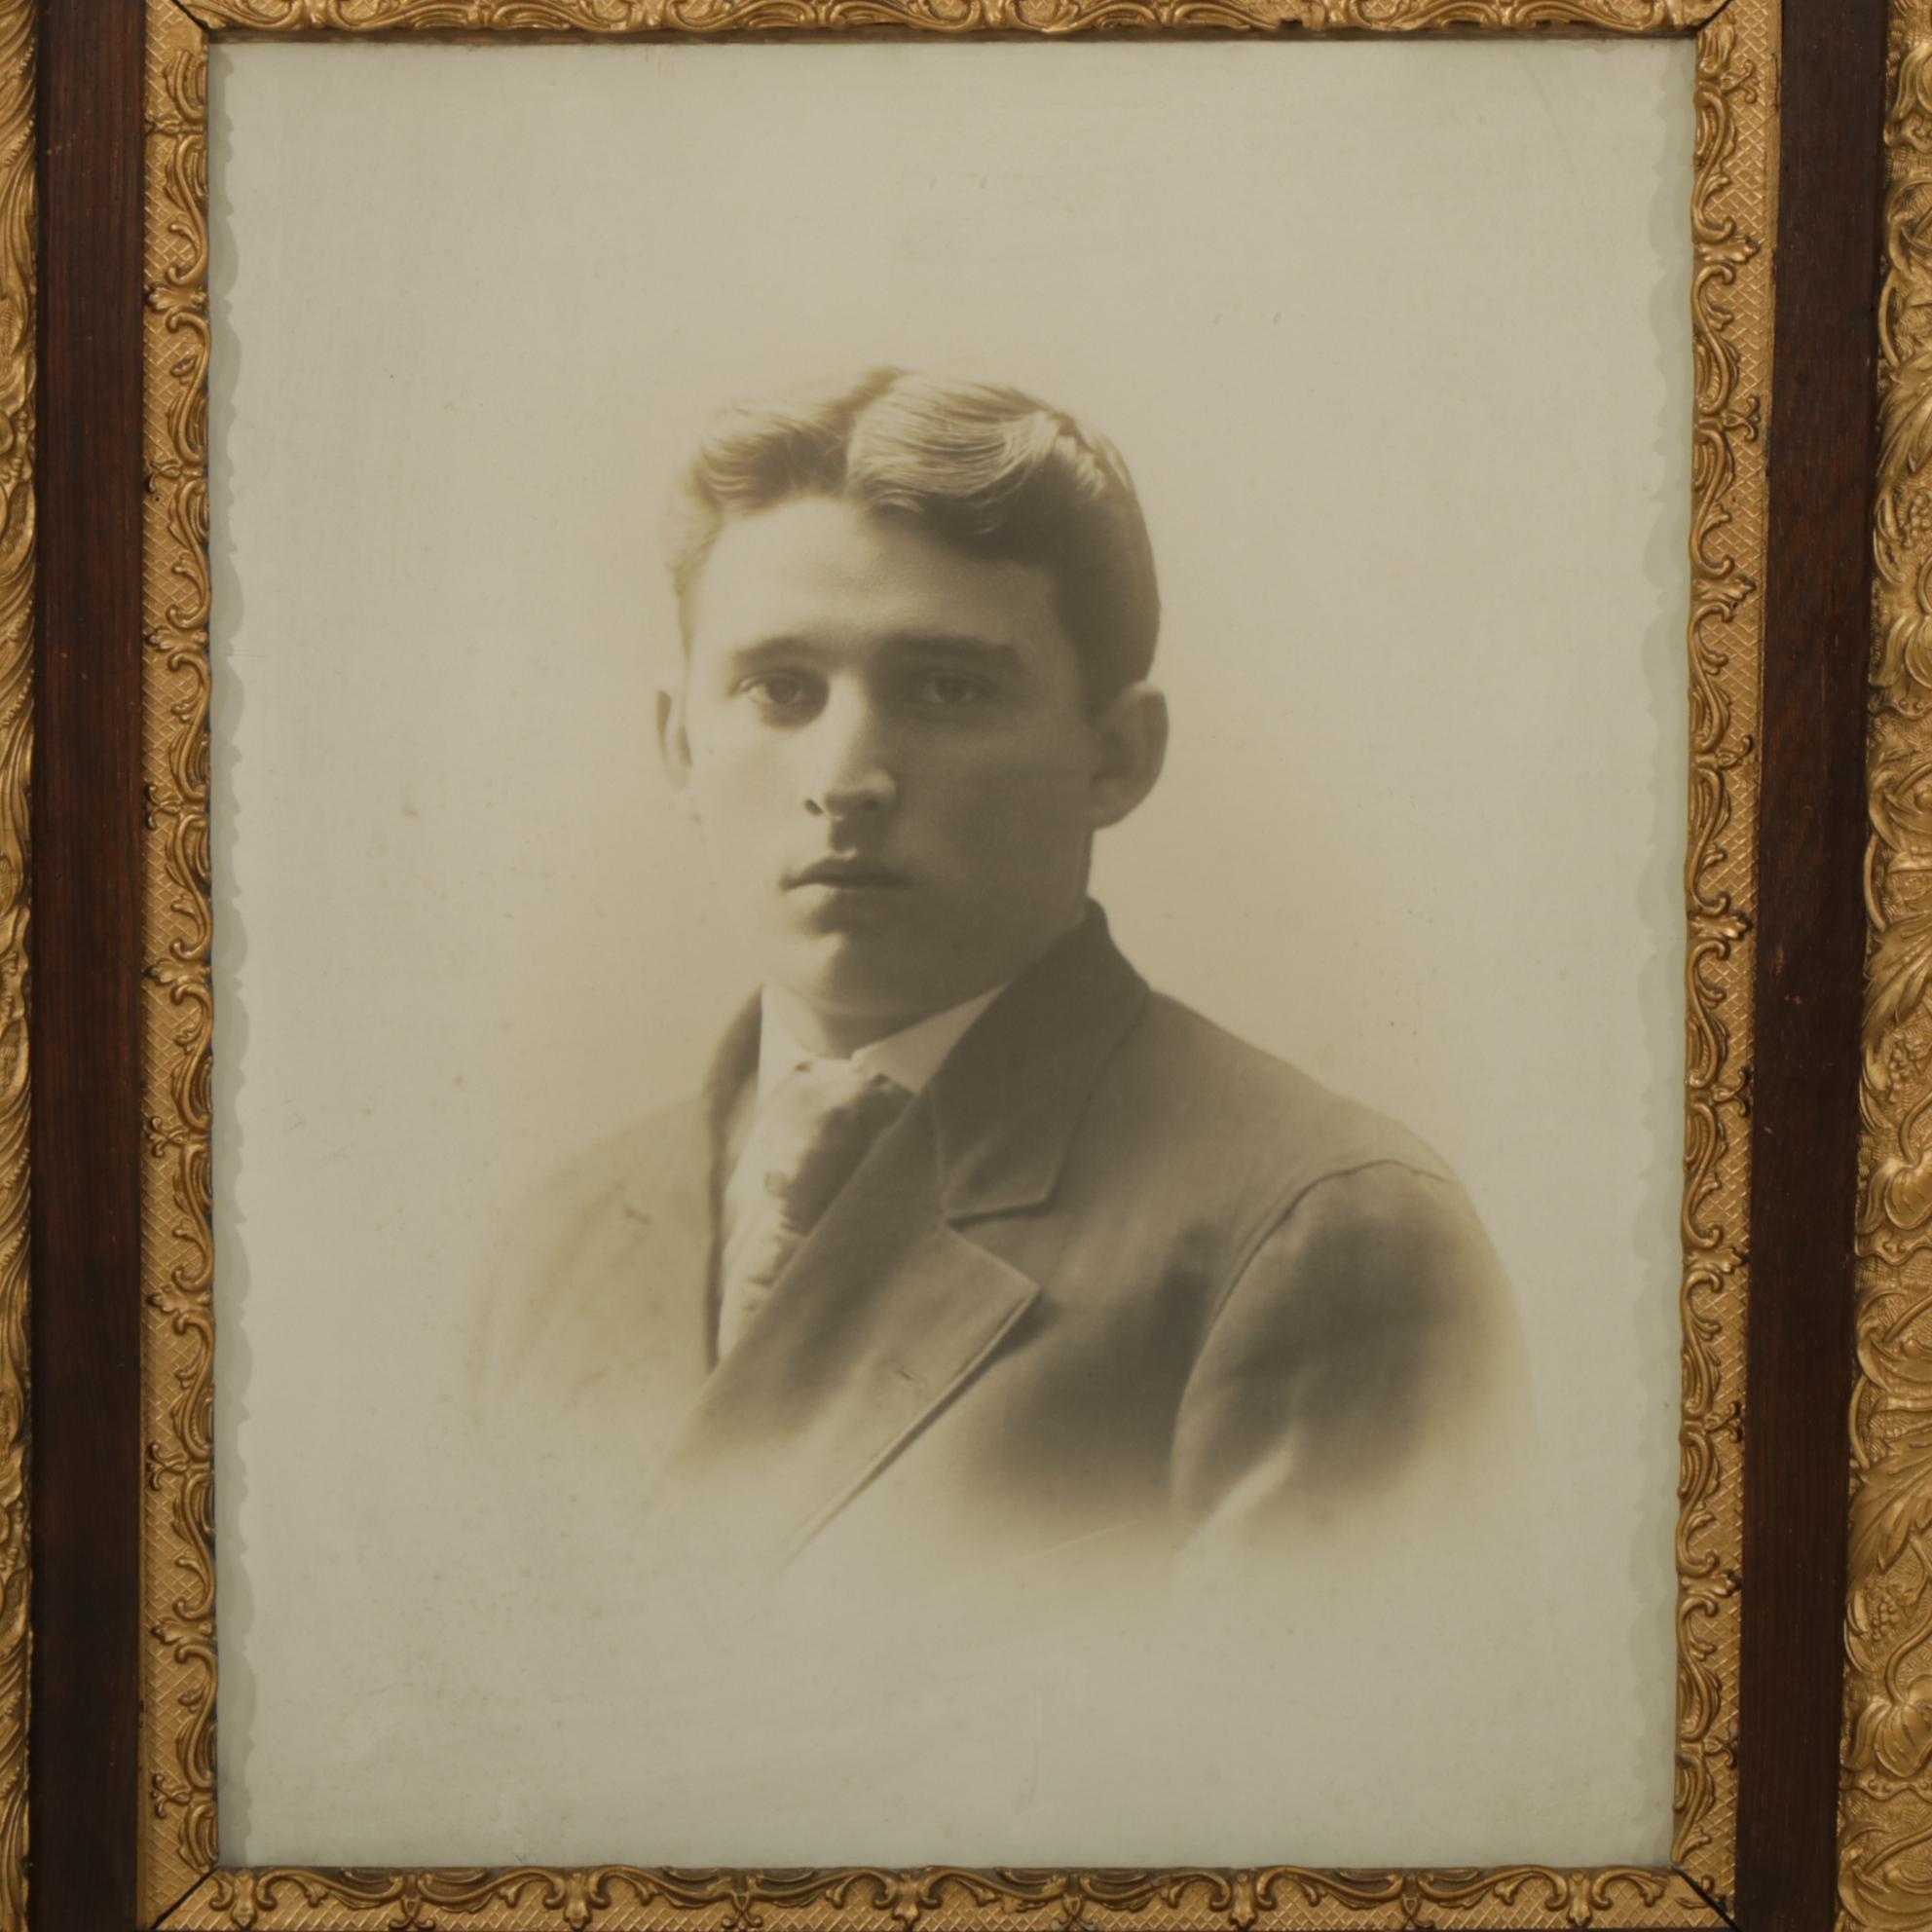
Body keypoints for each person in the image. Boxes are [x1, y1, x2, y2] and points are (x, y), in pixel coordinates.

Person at [484, 368, 1526, 1593]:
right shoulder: (553, 1247)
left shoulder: (1317, 1234)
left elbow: (1300, 1771)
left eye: (946, 689)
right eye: (780, 689)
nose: (848, 775)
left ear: (1116, 756)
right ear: (679, 744)